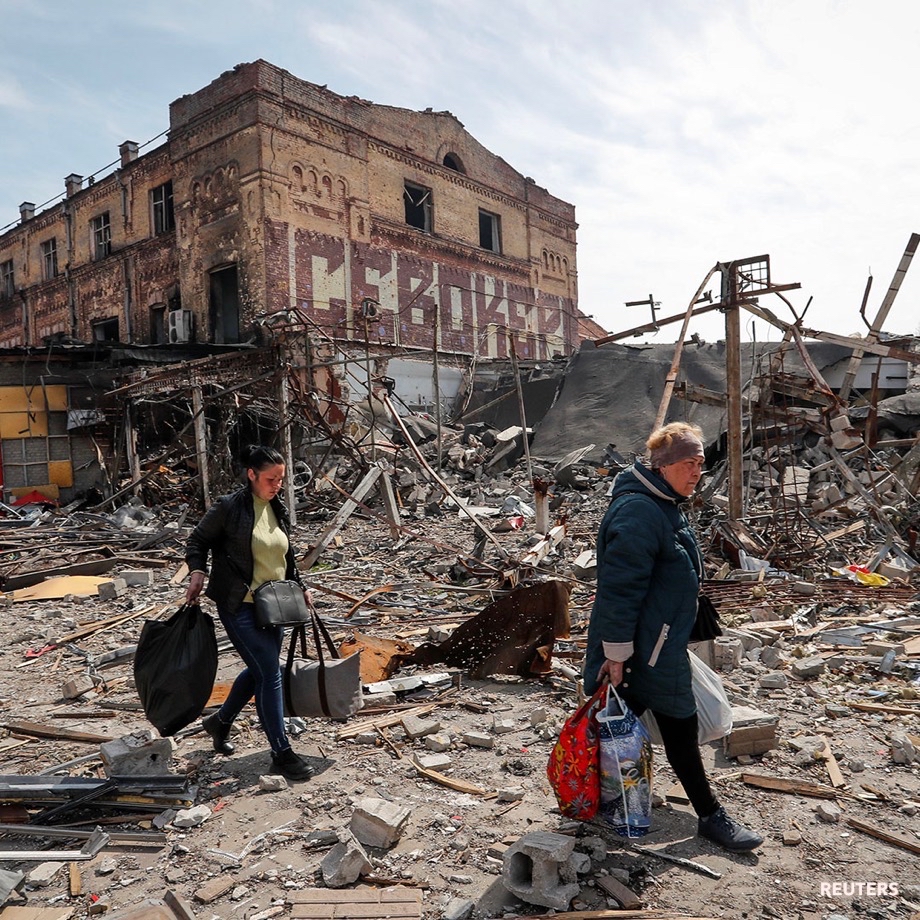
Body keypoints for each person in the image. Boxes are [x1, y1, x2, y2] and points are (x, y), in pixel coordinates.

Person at [584, 422, 762, 851]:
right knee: (676, 724)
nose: (697, 471)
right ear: (663, 466)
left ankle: (603, 800)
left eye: (701, 462)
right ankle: (709, 815)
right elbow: (620, 590)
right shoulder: (639, 511)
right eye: (689, 463)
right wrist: (616, 654)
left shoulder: (663, 503)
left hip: (656, 643)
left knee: (613, 724)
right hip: (643, 650)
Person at [185, 444, 313, 781]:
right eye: (271, 479)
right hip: (238, 605)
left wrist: (301, 585)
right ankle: (281, 752)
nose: (277, 485)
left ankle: (220, 721)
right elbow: (197, 541)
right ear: (251, 475)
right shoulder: (230, 507)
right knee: (269, 673)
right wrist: (197, 572)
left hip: (275, 606)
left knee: (261, 670)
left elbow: (286, 555)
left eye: (281, 479)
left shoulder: (277, 508)